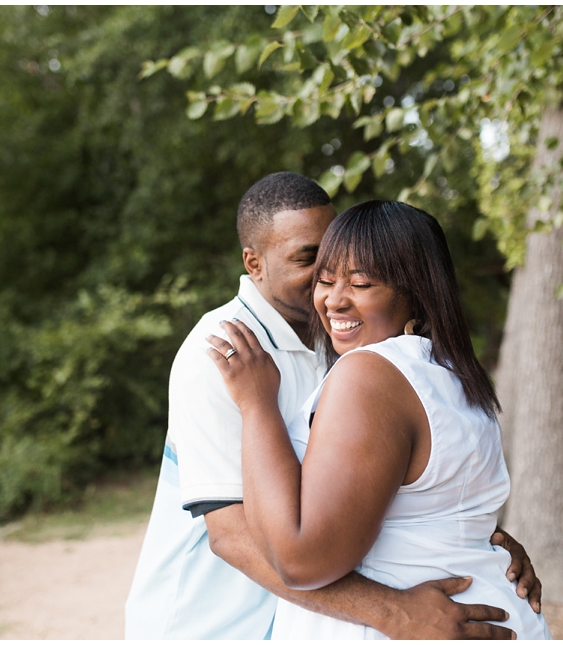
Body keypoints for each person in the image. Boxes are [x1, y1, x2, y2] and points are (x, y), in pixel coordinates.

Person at [125, 175, 541, 640]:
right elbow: (232, 534)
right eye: (314, 264)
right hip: (218, 624)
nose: (330, 287)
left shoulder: (360, 348)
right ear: (254, 263)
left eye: (351, 270)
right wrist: (393, 611)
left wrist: (479, 543)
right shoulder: (224, 353)